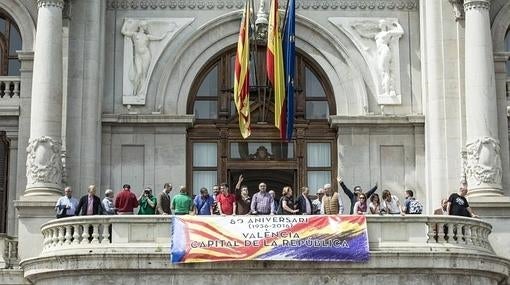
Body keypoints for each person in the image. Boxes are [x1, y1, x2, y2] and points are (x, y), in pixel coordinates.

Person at [121, 19, 168, 97]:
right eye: (145, 25)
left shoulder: (147, 36)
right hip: (138, 55)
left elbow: (160, 38)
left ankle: (141, 93)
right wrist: (126, 22)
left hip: (146, 55)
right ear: (142, 27)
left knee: (144, 75)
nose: (146, 27)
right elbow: (123, 31)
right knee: (138, 73)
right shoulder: (135, 34)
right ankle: (134, 93)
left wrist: (167, 32)